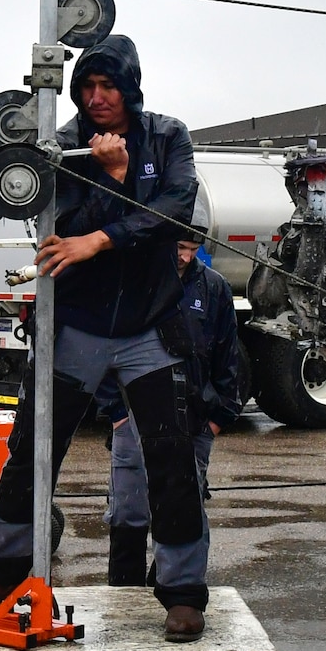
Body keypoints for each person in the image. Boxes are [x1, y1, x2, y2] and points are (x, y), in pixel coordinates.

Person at [0, 34, 214, 642]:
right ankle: (3, 568)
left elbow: (176, 209)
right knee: (32, 448)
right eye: (87, 88)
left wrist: (115, 195)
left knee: (171, 456)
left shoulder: (169, 135)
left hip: (149, 324)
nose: (97, 98)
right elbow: (61, 223)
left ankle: (181, 591)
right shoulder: (62, 144)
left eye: (108, 86)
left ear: (131, 86)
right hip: (77, 324)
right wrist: (106, 193)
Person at [99, 212, 242, 586]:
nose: (186, 257)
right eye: (180, 247)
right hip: (132, 418)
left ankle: (174, 591)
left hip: (193, 421)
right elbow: (102, 352)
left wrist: (218, 419)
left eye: (194, 249)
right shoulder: (131, 283)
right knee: (128, 511)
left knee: (183, 508)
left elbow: (229, 356)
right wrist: (115, 413)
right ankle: (124, 592)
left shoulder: (215, 288)